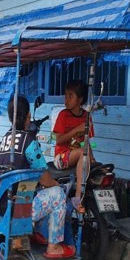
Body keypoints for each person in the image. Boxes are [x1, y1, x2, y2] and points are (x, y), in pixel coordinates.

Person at [0, 96, 75, 259]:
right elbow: (43, 177)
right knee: (58, 195)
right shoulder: (29, 141)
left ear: (10, 117)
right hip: (18, 208)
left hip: (1, 203)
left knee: (37, 191)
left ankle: (34, 233)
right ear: (28, 116)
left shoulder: (5, 138)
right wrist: (56, 185)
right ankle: (54, 247)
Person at [53, 79, 95, 210]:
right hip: (61, 158)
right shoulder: (63, 115)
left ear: (80, 99)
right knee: (83, 152)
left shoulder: (86, 116)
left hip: (78, 156)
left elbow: (86, 142)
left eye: (71, 96)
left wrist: (93, 160)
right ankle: (77, 197)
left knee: (87, 155)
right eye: (66, 96)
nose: (67, 100)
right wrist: (76, 130)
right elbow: (59, 140)